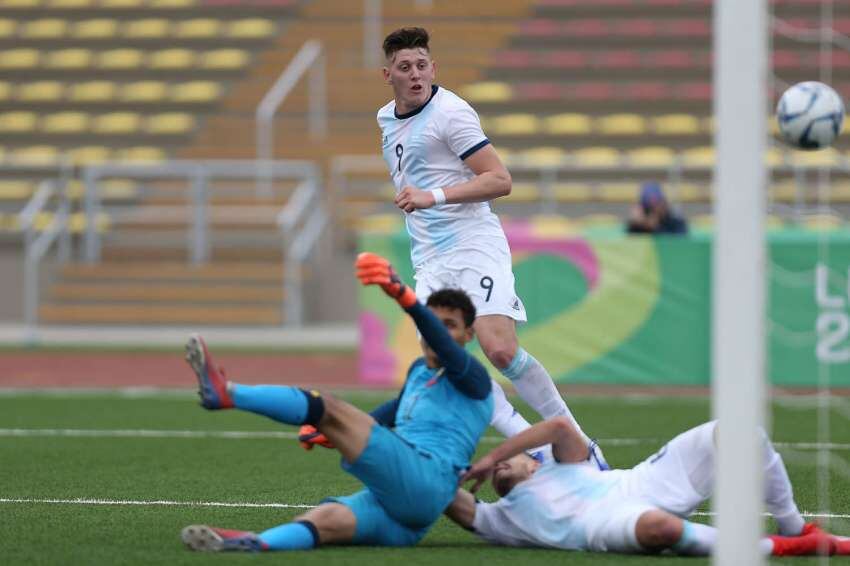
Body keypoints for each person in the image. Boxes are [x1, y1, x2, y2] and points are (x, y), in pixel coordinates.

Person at [377, 26, 598, 459]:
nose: (416, 74)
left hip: (472, 244)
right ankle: (538, 453)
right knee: (445, 363)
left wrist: (433, 197)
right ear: (389, 75)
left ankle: (580, 444)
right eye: (405, 67)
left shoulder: (451, 114)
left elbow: (500, 179)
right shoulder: (385, 118)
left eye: (422, 65)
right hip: (431, 260)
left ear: (434, 67)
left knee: (498, 348)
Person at [180, 252, 493, 552]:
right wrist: (332, 432)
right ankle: (254, 543)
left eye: (449, 325)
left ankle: (227, 393)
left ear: (469, 335)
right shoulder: (418, 371)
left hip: (427, 479)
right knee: (325, 519)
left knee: (328, 407)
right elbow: (390, 413)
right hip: (406, 515)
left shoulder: (475, 378)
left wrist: (404, 296)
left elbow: (440, 344)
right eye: (433, 324)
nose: (436, 333)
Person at [446, 417, 850, 557]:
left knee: (739, 431)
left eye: (506, 461)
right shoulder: (500, 518)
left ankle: (794, 527)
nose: (500, 467)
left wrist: (488, 456)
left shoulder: (562, 463)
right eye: (496, 470)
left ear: (533, 465)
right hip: (604, 526)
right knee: (662, 529)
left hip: (640, 481)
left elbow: (559, 427)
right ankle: (792, 547)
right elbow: (443, 497)